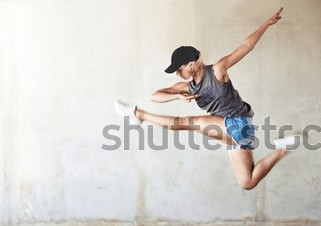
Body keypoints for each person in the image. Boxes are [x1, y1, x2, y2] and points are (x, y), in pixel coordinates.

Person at [115, 7, 298, 190]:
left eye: (180, 69)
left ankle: (137, 114)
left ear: (191, 64)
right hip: (239, 130)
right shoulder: (187, 87)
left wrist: (266, 24)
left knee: (187, 122)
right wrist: (177, 96)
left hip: (237, 124)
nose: (178, 74)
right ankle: (284, 148)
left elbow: (245, 47)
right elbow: (155, 96)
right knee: (247, 181)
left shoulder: (217, 71)